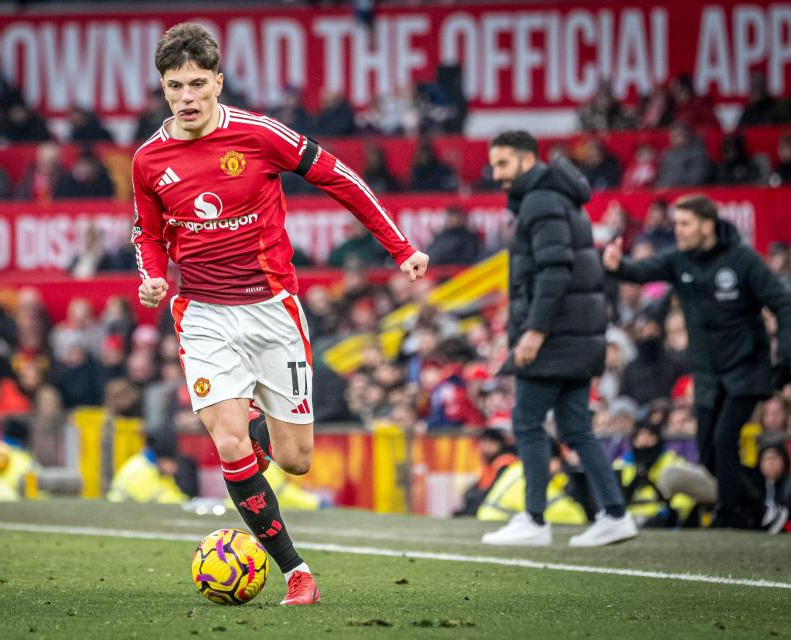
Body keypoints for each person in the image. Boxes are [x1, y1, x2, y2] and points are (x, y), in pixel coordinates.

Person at [131, 22, 429, 605]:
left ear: (218, 82)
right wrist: (152, 275)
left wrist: (400, 247)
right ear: (162, 89)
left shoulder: (261, 135)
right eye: (174, 87)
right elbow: (147, 231)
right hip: (204, 314)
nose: (186, 97)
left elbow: (339, 178)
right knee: (228, 441)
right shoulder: (148, 160)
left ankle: (258, 441)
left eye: (197, 84)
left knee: (294, 461)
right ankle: (296, 571)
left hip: (272, 311)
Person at [481, 130, 636, 547]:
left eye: (504, 164)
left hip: (557, 336)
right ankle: (615, 513)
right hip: (579, 335)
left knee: (527, 421)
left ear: (528, 160)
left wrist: (534, 331)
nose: (496, 175)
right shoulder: (560, 197)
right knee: (575, 426)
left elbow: (554, 270)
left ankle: (534, 519)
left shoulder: (541, 199)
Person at [603, 195, 791, 530]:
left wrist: (785, 358)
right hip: (706, 374)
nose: (678, 230)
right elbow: (640, 271)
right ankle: (758, 508)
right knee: (707, 452)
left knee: (724, 438)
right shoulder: (678, 260)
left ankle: (730, 514)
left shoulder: (743, 260)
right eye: (676, 223)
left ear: (708, 224)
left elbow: (783, 304)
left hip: (745, 368)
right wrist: (617, 265)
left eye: (685, 223)